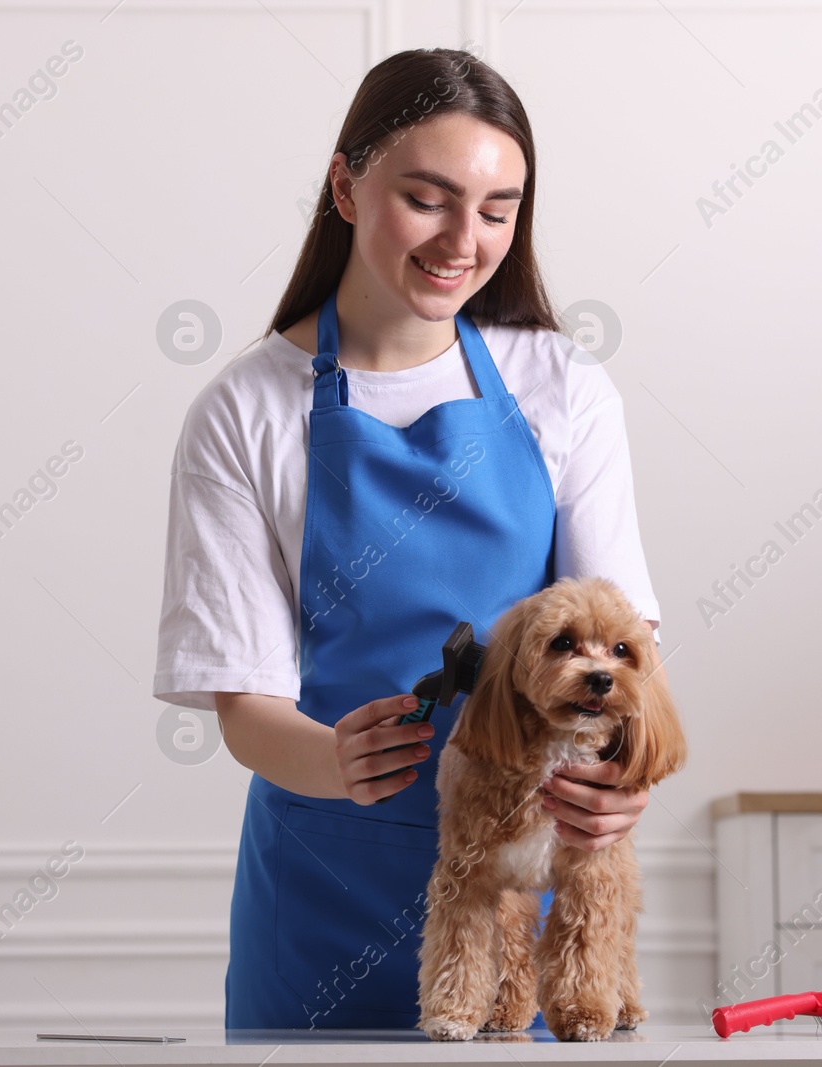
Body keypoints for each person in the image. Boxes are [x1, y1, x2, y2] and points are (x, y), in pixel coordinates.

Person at [152, 46, 667, 1031]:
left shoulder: (561, 388)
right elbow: (244, 704)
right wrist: (337, 762)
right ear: (345, 185)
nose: (461, 240)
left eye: (496, 208)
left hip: (524, 889)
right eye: (425, 197)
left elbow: (623, 643)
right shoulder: (243, 410)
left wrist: (616, 783)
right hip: (320, 903)